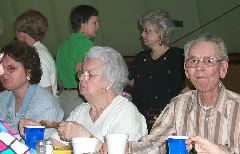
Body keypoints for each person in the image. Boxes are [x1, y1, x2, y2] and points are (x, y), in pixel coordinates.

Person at [126, 33, 240, 153]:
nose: (199, 67)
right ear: (186, 71)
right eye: (194, 61)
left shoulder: (237, 108)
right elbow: (152, 145)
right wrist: (123, 148)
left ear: (223, 68)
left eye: (209, 60)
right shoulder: (178, 105)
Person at [47, 46, 147, 147]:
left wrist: (84, 136)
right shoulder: (81, 111)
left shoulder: (125, 112)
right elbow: (53, 145)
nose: (81, 78)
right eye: (81, 73)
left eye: (89, 75)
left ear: (109, 82)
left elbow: (121, 151)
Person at [129, 9, 185, 131]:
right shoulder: (141, 57)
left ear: (161, 32)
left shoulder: (178, 57)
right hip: (139, 120)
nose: (142, 34)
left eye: (146, 31)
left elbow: (186, 89)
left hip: (167, 122)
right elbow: (132, 83)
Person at [0, 41, 63, 139]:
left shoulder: (45, 104)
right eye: (2, 68)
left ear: (28, 72)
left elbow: (40, 146)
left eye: (11, 68)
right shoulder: (3, 98)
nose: (4, 73)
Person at [56, 5, 100, 119]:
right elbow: (79, 72)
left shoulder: (62, 46)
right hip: (79, 99)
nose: (98, 27)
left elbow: (59, 82)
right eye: (95, 23)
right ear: (83, 24)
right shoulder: (86, 44)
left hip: (63, 99)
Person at [15, 10, 58, 97]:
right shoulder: (37, 51)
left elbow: (46, 91)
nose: (16, 35)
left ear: (23, 33)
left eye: (17, 31)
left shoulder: (37, 55)